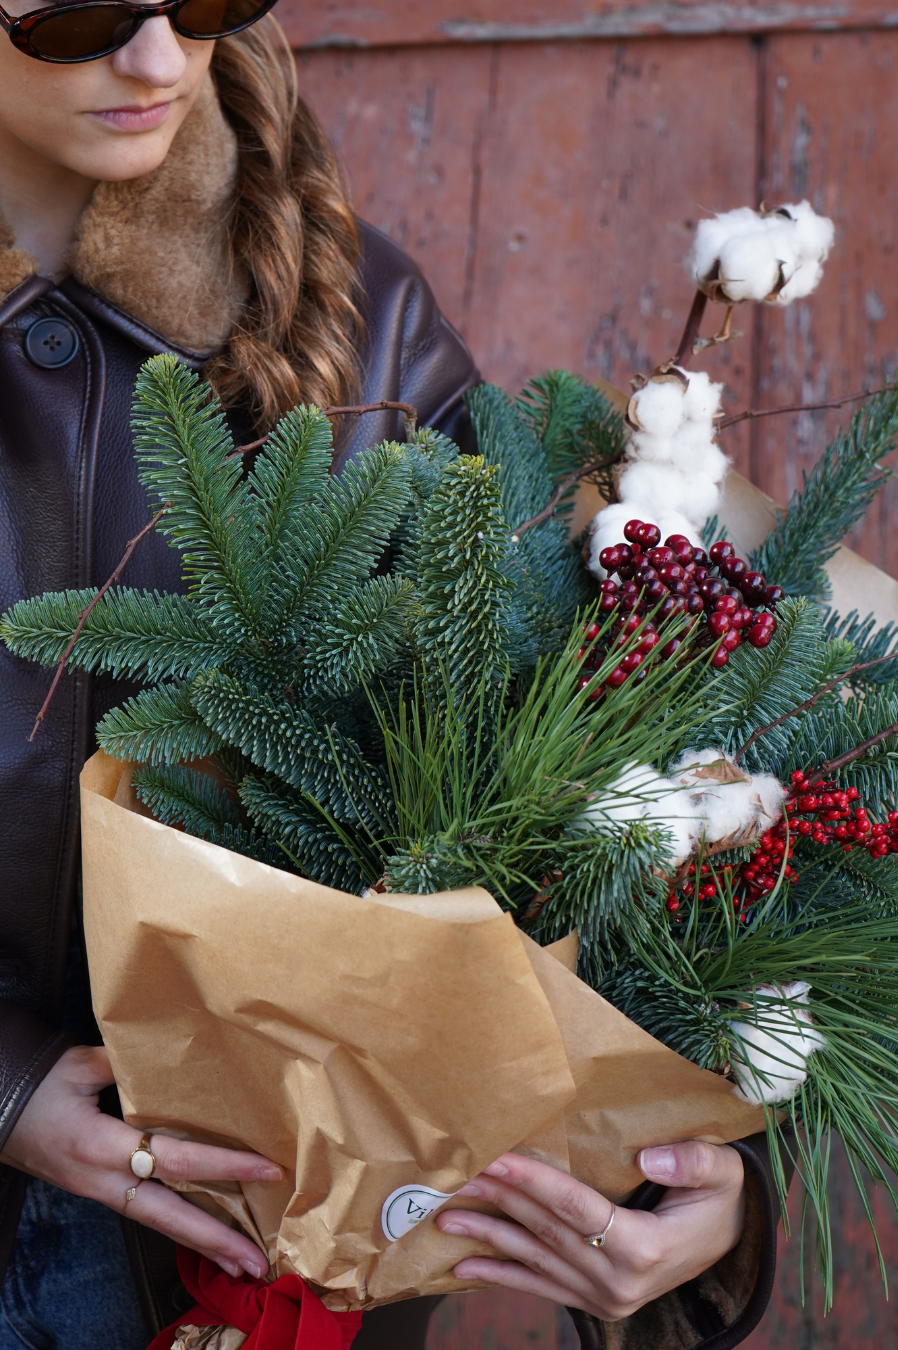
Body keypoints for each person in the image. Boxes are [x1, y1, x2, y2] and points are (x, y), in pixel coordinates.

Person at [0, 4, 784, 1348]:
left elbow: (580, 762)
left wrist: (702, 1180)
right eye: (73, 10)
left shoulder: (349, 311)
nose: (157, 60)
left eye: (202, 1)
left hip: (292, 1249)